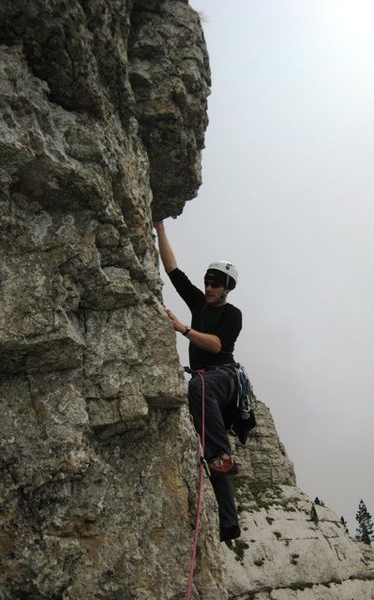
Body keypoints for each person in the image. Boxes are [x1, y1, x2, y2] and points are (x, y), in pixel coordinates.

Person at [154, 220, 242, 542]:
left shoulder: (233, 315)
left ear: (227, 288)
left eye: (215, 285)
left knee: (199, 386)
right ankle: (229, 524)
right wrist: (160, 228)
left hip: (224, 378)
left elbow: (217, 345)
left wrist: (184, 329)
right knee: (210, 453)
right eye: (207, 283)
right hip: (205, 384)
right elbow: (173, 270)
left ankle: (222, 456)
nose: (208, 289)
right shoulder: (199, 302)